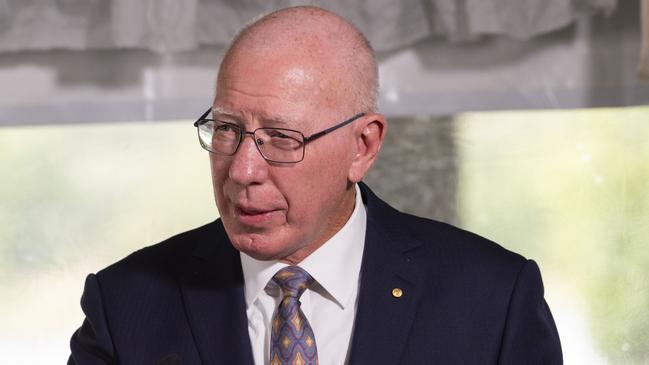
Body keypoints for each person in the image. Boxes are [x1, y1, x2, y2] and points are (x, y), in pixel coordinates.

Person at [69, 6, 562, 365]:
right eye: (226, 129)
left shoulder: (494, 298)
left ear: (362, 147)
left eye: (281, 138)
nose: (242, 171)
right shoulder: (124, 303)